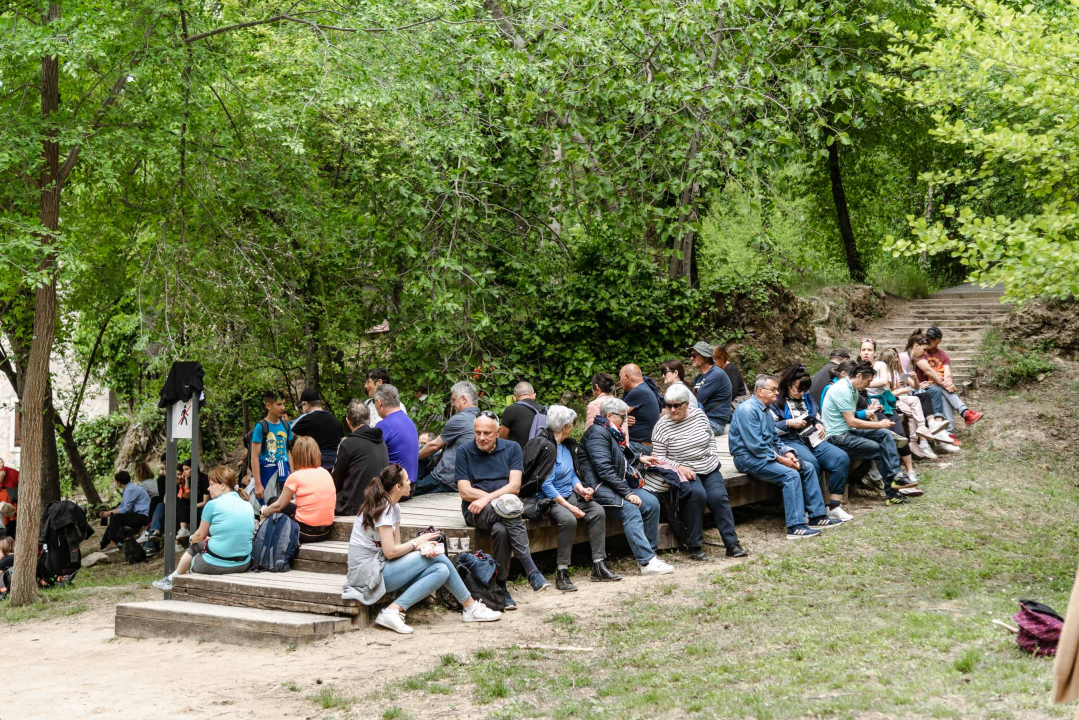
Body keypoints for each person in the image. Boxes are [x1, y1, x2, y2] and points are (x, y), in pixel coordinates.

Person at [342, 463, 502, 633]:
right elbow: (390, 552)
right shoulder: (384, 508)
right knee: (438, 558)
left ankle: (393, 610)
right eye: (406, 479)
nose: (410, 481)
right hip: (367, 574)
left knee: (441, 570)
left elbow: (395, 547)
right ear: (398, 486)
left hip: (381, 566)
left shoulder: (395, 507)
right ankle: (470, 607)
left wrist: (421, 548)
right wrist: (417, 542)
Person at [456, 411, 550, 608]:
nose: (481, 437)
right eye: (477, 432)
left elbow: (515, 487)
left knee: (501, 529)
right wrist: (494, 501)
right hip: (475, 511)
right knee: (509, 510)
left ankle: (500, 587)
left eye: (487, 433)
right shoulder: (464, 451)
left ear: (498, 432)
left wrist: (489, 500)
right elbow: (465, 491)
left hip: (496, 507)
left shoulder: (512, 448)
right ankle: (531, 570)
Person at [730, 376, 843, 539]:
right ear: (760, 391)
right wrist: (782, 460)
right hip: (747, 458)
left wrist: (789, 453)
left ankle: (817, 516)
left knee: (808, 467)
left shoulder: (766, 409)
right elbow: (756, 446)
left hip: (766, 454)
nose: (777, 392)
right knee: (790, 475)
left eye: (777, 389)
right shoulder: (748, 410)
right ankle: (795, 526)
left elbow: (775, 439)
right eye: (774, 389)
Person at [578, 397, 674, 576]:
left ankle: (650, 555)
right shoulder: (597, 433)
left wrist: (638, 458)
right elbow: (604, 470)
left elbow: (618, 455)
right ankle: (646, 563)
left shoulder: (610, 431)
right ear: (609, 415)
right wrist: (628, 494)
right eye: (622, 417)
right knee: (630, 508)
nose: (625, 422)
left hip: (615, 484)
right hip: (599, 488)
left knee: (651, 503)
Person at [651, 384, 747, 559]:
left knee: (719, 497)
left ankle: (732, 544)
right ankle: (694, 545)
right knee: (697, 495)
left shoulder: (699, 415)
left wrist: (711, 454)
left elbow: (710, 437)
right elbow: (658, 458)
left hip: (708, 467)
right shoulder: (661, 427)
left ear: (687, 404)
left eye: (676, 405)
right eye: (668, 405)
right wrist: (678, 467)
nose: (671, 410)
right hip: (683, 472)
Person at [532, 405, 621, 591]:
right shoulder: (547, 447)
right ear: (565, 426)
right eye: (572, 423)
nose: (573, 426)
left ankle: (598, 564)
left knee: (597, 511)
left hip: (568, 493)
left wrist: (581, 490)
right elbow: (546, 485)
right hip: (548, 498)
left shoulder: (566, 447)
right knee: (569, 519)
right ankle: (562, 572)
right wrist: (571, 507)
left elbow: (571, 475)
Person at [821, 360, 917, 505]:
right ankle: (892, 492)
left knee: (884, 435)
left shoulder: (852, 389)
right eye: (868, 381)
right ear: (858, 375)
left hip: (849, 431)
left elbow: (851, 416)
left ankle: (896, 475)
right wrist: (878, 424)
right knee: (879, 449)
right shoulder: (842, 389)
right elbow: (851, 421)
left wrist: (868, 412)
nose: (868, 385)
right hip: (837, 437)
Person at [771, 364, 853, 521]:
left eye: (805, 390)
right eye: (798, 389)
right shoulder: (777, 402)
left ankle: (834, 506)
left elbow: (815, 415)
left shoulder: (807, 398)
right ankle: (810, 509)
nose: (802, 393)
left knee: (841, 458)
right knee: (810, 463)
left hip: (812, 439)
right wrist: (788, 423)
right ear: (789, 385)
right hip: (790, 440)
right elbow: (769, 428)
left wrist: (818, 423)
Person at [152, 466, 255, 591]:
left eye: (211, 484)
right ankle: (171, 579)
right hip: (244, 563)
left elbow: (199, 536)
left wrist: (190, 539)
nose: (208, 488)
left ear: (223, 486)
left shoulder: (213, 504)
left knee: (196, 546)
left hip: (216, 565)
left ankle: (173, 578)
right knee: (204, 543)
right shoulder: (247, 503)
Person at [860, 339, 922, 488]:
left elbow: (882, 382)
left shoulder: (881, 365)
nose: (866, 353)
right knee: (886, 433)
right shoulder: (858, 367)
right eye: (863, 350)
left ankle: (910, 471)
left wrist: (863, 382)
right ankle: (891, 473)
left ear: (875, 352)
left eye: (869, 350)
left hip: (886, 403)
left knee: (900, 434)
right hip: (870, 405)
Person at [261, 436, 337, 544]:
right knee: (280, 503)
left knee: (273, 501)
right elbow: (308, 500)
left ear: (296, 455)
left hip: (305, 533)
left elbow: (278, 506)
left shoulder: (296, 476)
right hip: (325, 532)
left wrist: (263, 512)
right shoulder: (326, 472)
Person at [415, 381, 481, 496]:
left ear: (464, 399)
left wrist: (411, 459)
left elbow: (434, 446)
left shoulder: (459, 419)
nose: (452, 404)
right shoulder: (482, 417)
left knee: (411, 489)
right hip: (468, 477)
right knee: (424, 449)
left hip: (445, 479)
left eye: (454, 400)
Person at [878, 347, 939, 460]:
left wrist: (915, 379)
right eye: (895, 356)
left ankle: (920, 430)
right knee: (912, 411)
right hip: (891, 401)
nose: (897, 358)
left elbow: (916, 387)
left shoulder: (898, 372)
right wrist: (900, 389)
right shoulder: (886, 374)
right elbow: (888, 394)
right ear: (890, 359)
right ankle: (914, 441)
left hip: (901, 398)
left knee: (916, 401)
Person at [919, 326, 984, 429]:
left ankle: (950, 432)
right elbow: (928, 370)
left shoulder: (943, 355)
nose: (928, 340)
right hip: (922, 387)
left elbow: (947, 373)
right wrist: (944, 384)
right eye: (928, 337)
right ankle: (965, 413)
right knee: (941, 388)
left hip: (937, 388)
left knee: (941, 392)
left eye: (932, 338)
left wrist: (948, 380)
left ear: (939, 340)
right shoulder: (921, 351)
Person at [331, 399, 389, 515]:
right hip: (378, 504)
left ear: (348, 421)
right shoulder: (381, 441)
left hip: (353, 506)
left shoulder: (347, 444)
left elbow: (335, 482)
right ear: (370, 419)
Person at [250, 390, 293, 503]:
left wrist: (293, 476)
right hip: (267, 473)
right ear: (268, 405)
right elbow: (254, 456)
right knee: (268, 506)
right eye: (279, 404)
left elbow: (288, 451)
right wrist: (258, 484)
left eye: (284, 403)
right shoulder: (261, 427)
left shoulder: (286, 425)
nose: (282, 407)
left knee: (285, 506)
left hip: (284, 471)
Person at [374, 384, 419, 490]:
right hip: (411, 486)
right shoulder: (409, 421)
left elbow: (369, 455)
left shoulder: (384, 425)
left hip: (394, 488)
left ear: (379, 403)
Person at [688, 341, 733, 436]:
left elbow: (693, 401)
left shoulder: (716, 375)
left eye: (694, 355)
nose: (691, 358)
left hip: (714, 423)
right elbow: (689, 396)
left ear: (705, 356)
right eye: (690, 355)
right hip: (702, 420)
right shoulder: (700, 377)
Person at [292, 389, 343, 471]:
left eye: (302, 406)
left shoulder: (306, 418)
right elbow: (342, 440)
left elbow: (288, 435)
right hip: (335, 465)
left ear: (306, 404)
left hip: (316, 464)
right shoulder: (335, 419)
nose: (302, 409)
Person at [99, 471, 151, 551]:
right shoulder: (128, 488)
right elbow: (122, 506)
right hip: (138, 514)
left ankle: (115, 543)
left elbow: (125, 509)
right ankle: (109, 543)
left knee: (117, 517)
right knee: (114, 515)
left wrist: (108, 513)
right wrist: (109, 512)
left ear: (119, 482)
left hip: (144, 516)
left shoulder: (130, 489)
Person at [619, 363, 661, 450]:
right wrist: (624, 419)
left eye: (620, 377)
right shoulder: (644, 388)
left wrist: (622, 420)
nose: (619, 381)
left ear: (627, 377)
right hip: (642, 444)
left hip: (639, 446)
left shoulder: (638, 392)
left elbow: (611, 417)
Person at [500, 381, 547, 449]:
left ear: (514, 398)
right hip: (540, 456)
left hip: (518, 457)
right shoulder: (544, 411)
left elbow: (502, 438)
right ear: (534, 395)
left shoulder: (511, 409)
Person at [0, 458, 18, 538]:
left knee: (7, 520)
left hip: (6, 497)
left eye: (1, 462)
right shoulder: (10, 471)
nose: (0, 464)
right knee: (10, 520)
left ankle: (7, 541)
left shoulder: (4, 469)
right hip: (11, 496)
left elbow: (2, 475)